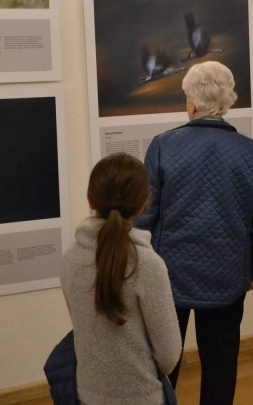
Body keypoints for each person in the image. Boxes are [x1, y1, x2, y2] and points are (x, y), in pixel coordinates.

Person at [136, 61, 253, 405]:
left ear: (192, 103)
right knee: (221, 360)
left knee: (163, 363)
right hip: (228, 274)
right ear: (227, 102)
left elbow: (144, 217)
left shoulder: (163, 146)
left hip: (168, 275)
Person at [61, 152, 181, 405]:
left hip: (87, 394)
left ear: (89, 199)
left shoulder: (71, 258)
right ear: (143, 202)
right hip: (142, 395)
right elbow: (169, 355)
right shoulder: (148, 265)